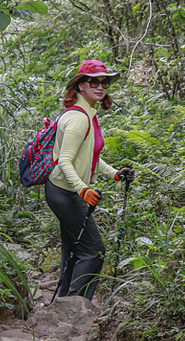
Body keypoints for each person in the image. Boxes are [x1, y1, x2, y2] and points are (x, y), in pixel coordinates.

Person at [45, 59, 134, 300]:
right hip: (64, 192)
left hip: (66, 191)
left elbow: (91, 156)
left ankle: (64, 301)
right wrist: (83, 190)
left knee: (75, 247)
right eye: (94, 81)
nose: (101, 86)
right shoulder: (78, 119)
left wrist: (115, 173)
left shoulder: (87, 114)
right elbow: (65, 161)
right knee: (94, 250)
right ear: (81, 86)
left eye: (104, 82)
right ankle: (76, 304)